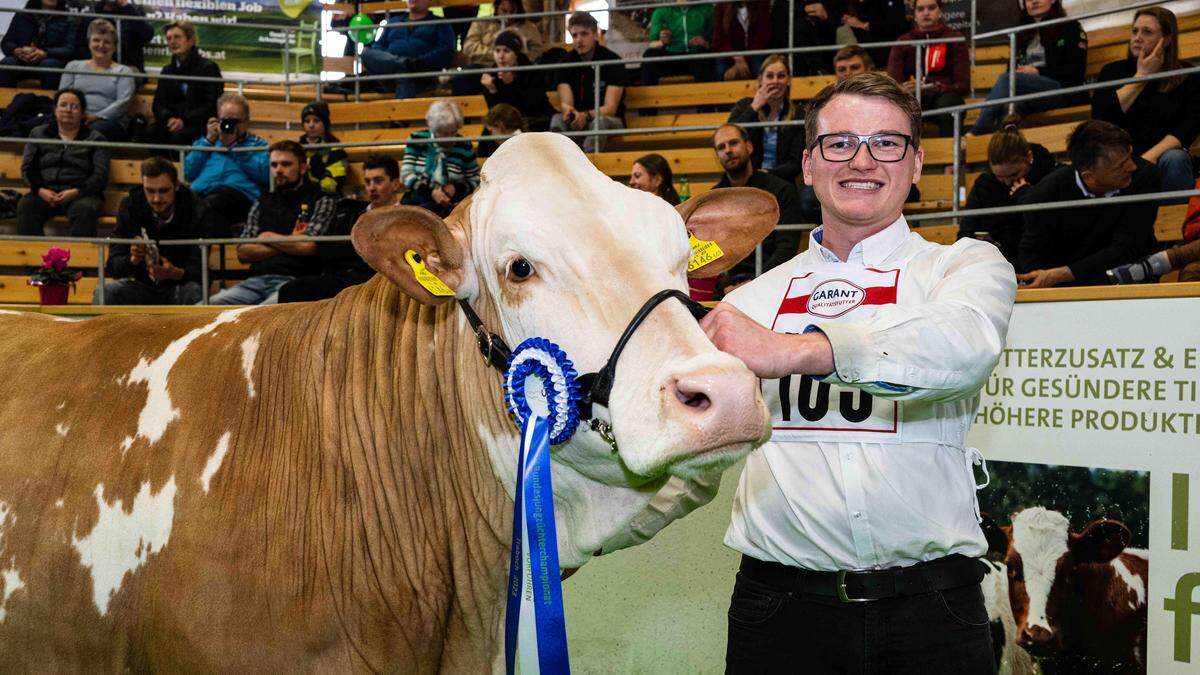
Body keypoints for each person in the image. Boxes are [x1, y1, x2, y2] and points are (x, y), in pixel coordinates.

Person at [695, 72, 1014, 673]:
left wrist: (795, 351)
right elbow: (691, 451)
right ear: (809, 166)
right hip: (781, 613)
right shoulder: (752, 301)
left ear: (916, 164)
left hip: (934, 611)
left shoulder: (964, 266)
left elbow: (964, 346)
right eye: (839, 143)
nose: (862, 159)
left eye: (887, 143)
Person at [1018, 120, 1161, 288]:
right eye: (1120, 166)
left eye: (1129, 156)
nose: (1132, 167)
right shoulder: (1043, 196)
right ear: (1089, 176)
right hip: (1071, 287)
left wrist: (1059, 274)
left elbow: (1128, 247)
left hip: (1130, 275)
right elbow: (1033, 253)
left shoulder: (1145, 177)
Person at [208, 141, 336, 305]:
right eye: (274, 165)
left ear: (303, 168)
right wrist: (290, 239)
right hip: (256, 281)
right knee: (207, 305)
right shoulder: (262, 201)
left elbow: (308, 247)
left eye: (286, 164)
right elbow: (242, 253)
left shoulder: (321, 198)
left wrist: (267, 237)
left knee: (262, 315)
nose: (279, 170)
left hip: (298, 281)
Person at [1092, 6, 1200, 200]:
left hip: (1161, 158)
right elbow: (1101, 120)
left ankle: (1173, 223)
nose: (1137, 37)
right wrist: (1141, 77)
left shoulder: (1187, 76)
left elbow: (1188, 129)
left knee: (1176, 158)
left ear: (1166, 40)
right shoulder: (1112, 71)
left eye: (1147, 32)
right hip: (1118, 159)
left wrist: (1146, 160)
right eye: (1134, 31)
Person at [277, 154, 402, 303]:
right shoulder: (349, 213)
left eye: (378, 181)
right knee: (291, 289)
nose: (372, 187)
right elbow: (328, 252)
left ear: (395, 184)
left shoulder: (407, 218)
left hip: (381, 281)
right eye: (368, 182)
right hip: (341, 278)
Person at [93, 157, 204, 305]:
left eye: (163, 191)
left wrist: (176, 273)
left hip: (179, 287)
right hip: (142, 287)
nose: (157, 198)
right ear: (143, 186)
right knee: (105, 292)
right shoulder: (130, 206)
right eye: (150, 191)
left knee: (193, 291)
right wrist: (132, 260)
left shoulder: (195, 208)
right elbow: (114, 268)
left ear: (176, 185)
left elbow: (203, 273)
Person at [969, 0, 1086, 136]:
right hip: (1027, 94)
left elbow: (1076, 71)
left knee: (1008, 80)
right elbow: (1011, 69)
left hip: (1060, 90)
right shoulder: (1020, 33)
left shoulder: (1070, 27)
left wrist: (1038, 72)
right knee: (1009, 108)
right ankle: (1010, 150)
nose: (1034, 2)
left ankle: (975, 133)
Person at [957, 117, 1058, 265]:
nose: (1007, 182)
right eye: (999, 177)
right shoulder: (985, 183)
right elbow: (965, 233)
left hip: (1039, 262)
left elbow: (1051, 230)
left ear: (1029, 158)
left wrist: (1028, 197)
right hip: (995, 262)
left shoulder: (1050, 177)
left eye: (1014, 175)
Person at [711, 123, 804, 283]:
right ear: (717, 155)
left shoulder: (781, 190)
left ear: (749, 146)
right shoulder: (712, 198)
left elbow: (786, 248)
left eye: (734, 143)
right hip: (726, 288)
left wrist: (756, 283)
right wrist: (724, 285)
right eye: (721, 147)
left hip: (772, 282)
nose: (728, 150)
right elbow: (710, 253)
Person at [17, 88, 108, 237]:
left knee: (86, 209)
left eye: (75, 106)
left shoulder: (96, 138)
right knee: (26, 205)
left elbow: (100, 175)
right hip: (45, 193)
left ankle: (77, 259)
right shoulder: (38, 133)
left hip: (82, 195)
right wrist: (40, 190)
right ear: (55, 109)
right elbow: (28, 168)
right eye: (63, 105)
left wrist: (76, 192)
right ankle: (33, 258)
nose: (68, 110)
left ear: (83, 113)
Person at [183, 92, 269, 238]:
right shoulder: (207, 143)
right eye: (224, 120)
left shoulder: (258, 145)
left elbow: (265, 175)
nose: (229, 125)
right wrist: (208, 140)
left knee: (208, 207)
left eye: (235, 121)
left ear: (247, 122)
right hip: (201, 195)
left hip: (239, 197)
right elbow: (188, 172)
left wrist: (235, 147)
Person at [886, 0, 968, 137]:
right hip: (911, 98)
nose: (926, 13)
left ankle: (948, 155)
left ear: (940, 11)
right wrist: (903, 88)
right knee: (897, 106)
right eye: (920, 9)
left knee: (950, 104)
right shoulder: (903, 42)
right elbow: (892, 83)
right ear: (914, 14)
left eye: (931, 8)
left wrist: (935, 86)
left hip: (943, 96)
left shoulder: (954, 38)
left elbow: (963, 84)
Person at [549, 12, 628, 153]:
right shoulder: (565, 63)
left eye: (584, 34)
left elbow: (610, 109)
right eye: (574, 35)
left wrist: (586, 115)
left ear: (595, 34)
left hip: (609, 120)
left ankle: (587, 165)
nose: (579, 40)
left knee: (600, 122)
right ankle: (560, 162)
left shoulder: (613, 61)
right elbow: (566, 103)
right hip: (579, 119)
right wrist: (570, 113)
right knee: (557, 119)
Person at [145, 21, 223, 151]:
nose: (172, 42)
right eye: (169, 38)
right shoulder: (167, 70)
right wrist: (169, 118)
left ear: (191, 40)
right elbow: (158, 104)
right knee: (151, 133)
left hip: (199, 124)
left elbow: (212, 105)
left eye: (177, 37)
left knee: (179, 137)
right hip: (172, 123)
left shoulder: (208, 68)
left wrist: (184, 120)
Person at [727, 54, 804, 183]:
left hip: (782, 181)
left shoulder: (798, 114)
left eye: (781, 76)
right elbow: (729, 136)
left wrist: (767, 174)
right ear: (760, 80)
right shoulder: (745, 105)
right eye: (770, 76)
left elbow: (795, 163)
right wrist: (755, 107)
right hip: (747, 180)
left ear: (789, 80)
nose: (775, 81)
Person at [359, 0, 455, 100]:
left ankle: (405, 67)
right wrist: (398, 61)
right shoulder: (393, 22)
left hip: (420, 74)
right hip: (388, 73)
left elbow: (445, 51)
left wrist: (419, 62)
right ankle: (405, 64)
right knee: (366, 53)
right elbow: (378, 47)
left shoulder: (440, 24)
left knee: (404, 76)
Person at [401, 99, 480, 217]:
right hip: (419, 201)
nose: (448, 138)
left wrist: (455, 188)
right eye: (443, 133)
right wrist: (431, 193)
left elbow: (474, 179)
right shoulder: (417, 139)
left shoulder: (464, 144)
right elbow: (406, 175)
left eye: (452, 132)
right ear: (432, 128)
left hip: (453, 205)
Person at [59, 19, 135, 141]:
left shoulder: (124, 72)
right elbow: (62, 96)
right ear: (89, 43)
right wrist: (75, 115)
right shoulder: (72, 66)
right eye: (96, 40)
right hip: (74, 117)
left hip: (109, 122)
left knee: (91, 131)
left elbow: (122, 103)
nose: (101, 45)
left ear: (114, 47)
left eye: (107, 42)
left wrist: (96, 116)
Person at [481, 30, 555, 131]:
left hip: (535, 121)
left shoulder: (531, 73)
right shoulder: (493, 75)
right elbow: (496, 114)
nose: (501, 56)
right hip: (507, 125)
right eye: (497, 51)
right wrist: (492, 91)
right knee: (488, 132)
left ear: (516, 54)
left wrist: (510, 84)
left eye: (506, 51)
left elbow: (529, 109)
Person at [0, 0, 80, 89]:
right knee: (7, 63)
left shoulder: (69, 19)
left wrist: (45, 53)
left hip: (51, 61)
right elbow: (6, 43)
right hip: (23, 61)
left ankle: (50, 101)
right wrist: (17, 51)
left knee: (49, 65)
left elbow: (69, 49)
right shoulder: (21, 15)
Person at [640, 0, 714, 86]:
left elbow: (714, 42)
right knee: (650, 54)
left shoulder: (707, 9)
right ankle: (649, 96)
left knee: (702, 53)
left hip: (695, 58)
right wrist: (662, 42)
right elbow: (652, 44)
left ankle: (704, 95)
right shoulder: (661, 11)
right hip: (671, 59)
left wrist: (704, 43)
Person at [460, 0, 544, 69]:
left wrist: (516, 56)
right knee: (463, 79)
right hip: (485, 67)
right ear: (496, 8)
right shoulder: (481, 23)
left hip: (517, 71)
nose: (508, 15)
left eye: (512, 11)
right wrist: (496, 55)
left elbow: (536, 52)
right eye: (504, 11)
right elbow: (469, 47)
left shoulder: (529, 27)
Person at [769, 0, 843, 76]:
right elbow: (778, 36)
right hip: (795, 60)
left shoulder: (831, 3)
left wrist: (826, 16)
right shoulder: (782, 5)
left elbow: (840, 29)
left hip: (827, 56)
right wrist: (804, 9)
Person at [79, 0, 153, 72]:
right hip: (97, 66)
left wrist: (127, 8)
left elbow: (147, 35)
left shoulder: (134, 10)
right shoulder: (92, 12)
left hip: (128, 66)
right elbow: (81, 44)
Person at [837, 0, 908, 69]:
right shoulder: (848, 4)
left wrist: (863, 25)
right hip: (864, 47)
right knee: (842, 31)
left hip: (885, 52)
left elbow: (896, 25)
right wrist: (848, 20)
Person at [298, 100, 348, 196]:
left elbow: (334, 183)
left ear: (325, 123)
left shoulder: (336, 150)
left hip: (324, 197)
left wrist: (317, 177)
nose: (311, 125)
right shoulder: (297, 148)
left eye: (316, 120)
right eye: (307, 121)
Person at [712, 0, 771, 81]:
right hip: (731, 55)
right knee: (720, 69)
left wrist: (744, 58)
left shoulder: (761, 4)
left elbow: (762, 37)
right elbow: (718, 41)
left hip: (754, 52)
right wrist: (738, 57)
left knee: (759, 67)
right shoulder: (722, 6)